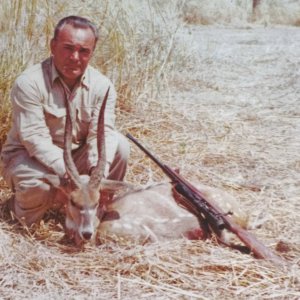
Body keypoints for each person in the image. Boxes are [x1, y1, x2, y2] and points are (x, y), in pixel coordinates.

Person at [0, 16, 130, 225]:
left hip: (74, 162)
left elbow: (102, 133)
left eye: (84, 51)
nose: (75, 57)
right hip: (28, 156)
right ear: (53, 46)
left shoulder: (103, 86)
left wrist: (97, 176)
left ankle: (92, 212)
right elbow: (34, 138)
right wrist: (72, 175)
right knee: (36, 192)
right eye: (68, 48)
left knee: (120, 147)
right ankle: (21, 215)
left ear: (92, 53)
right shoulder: (29, 83)